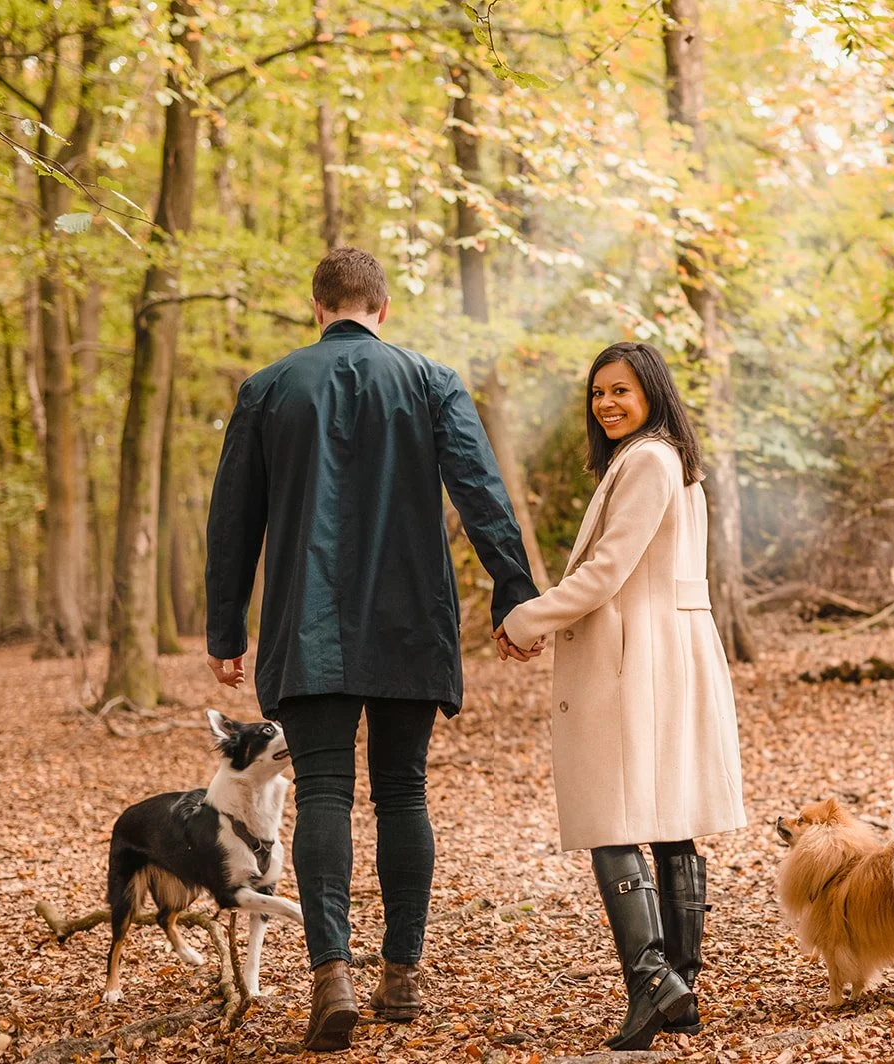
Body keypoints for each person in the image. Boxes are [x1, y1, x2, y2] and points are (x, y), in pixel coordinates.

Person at [204, 247, 542, 1052]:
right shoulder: (430, 381)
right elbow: (481, 491)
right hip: (408, 618)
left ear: (317, 308)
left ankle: (332, 976)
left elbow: (232, 521)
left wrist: (226, 631)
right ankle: (403, 975)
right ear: (381, 310)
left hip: (308, 619)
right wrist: (513, 590)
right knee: (402, 790)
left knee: (323, 793)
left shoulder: (268, 388)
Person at [495, 341, 747, 1051]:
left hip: (637, 657)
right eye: (597, 392)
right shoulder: (671, 460)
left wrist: (525, 618)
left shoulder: (644, 461)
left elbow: (607, 571)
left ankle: (653, 981)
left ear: (652, 394)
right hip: (668, 649)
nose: (606, 403)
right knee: (669, 817)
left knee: (610, 816)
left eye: (620, 391)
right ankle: (682, 989)